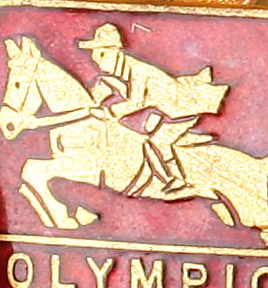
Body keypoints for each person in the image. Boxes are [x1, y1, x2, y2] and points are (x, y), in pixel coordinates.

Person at [77, 22, 214, 196]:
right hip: (163, 109)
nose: (96, 61)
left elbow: (137, 101)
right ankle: (167, 177)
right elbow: (128, 93)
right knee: (147, 140)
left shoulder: (137, 70)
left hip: (180, 109)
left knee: (156, 143)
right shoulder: (125, 70)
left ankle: (178, 179)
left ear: (113, 52)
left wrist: (109, 112)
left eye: (99, 54)